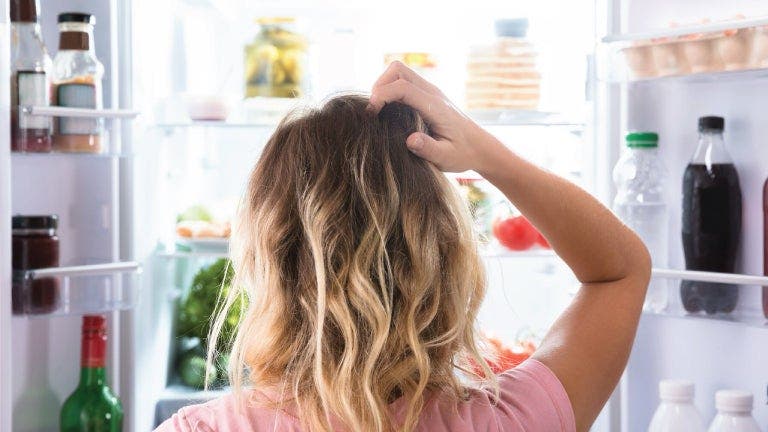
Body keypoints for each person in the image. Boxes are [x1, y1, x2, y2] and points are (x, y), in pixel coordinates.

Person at [157, 62, 650, 432]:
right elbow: (621, 271)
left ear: (268, 255)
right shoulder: (511, 420)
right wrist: (486, 153)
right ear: (445, 250)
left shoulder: (201, 428)